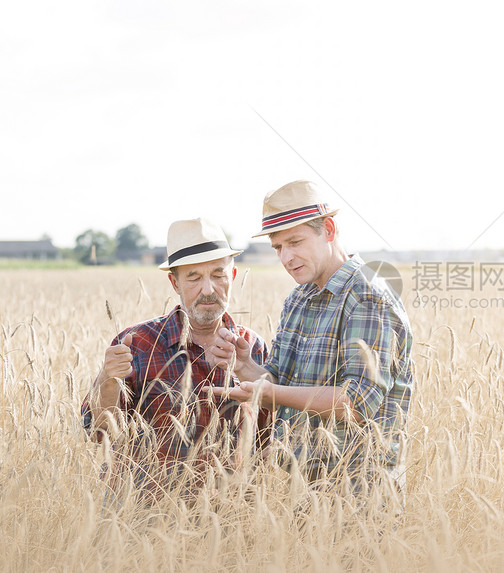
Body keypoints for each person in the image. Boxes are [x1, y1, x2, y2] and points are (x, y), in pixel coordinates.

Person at [205, 180, 413, 506]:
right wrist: (245, 366)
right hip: (304, 488)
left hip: (362, 492)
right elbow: (279, 383)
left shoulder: (368, 296)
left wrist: (267, 392)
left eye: (295, 242)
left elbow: (356, 403)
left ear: (328, 230)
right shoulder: (298, 298)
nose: (287, 257)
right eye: (278, 248)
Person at [81, 217, 268, 503]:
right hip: (145, 517)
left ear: (232, 276)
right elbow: (97, 431)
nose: (208, 289)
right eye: (193, 277)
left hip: (228, 516)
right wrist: (108, 381)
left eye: (218, 275)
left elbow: (268, 440)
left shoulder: (252, 346)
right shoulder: (138, 343)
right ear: (174, 282)